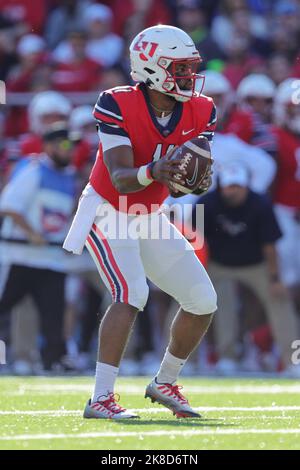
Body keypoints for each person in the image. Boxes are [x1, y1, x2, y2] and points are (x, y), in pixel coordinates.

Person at [64, 24, 217, 419]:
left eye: (189, 68)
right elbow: (120, 176)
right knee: (131, 292)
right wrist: (157, 170)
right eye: (179, 68)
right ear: (150, 68)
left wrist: (190, 179)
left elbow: (181, 185)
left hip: (149, 212)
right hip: (107, 207)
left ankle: (164, 381)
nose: (188, 76)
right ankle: (100, 397)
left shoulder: (202, 109)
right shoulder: (117, 102)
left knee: (203, 300)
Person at [196, 163, 300, 377]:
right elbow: (196, 242)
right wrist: (195, 277)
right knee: (200, 300)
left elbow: (269, 246)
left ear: (246, 186)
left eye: (237, 186)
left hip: (256, 264)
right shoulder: (206, 204)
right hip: (217, 264)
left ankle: (293, 361)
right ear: (220, 186)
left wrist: (275, 278)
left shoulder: (260, 204)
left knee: (280, 302)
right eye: (228, 186)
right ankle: (224, 358)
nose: (232, 191)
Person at [0, 123, 78, 370]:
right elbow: (9, 206)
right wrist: (33, 234)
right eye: (64, 145)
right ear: (48, 146)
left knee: (53, 315)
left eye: (72, 146)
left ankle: (52, 362)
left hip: (51, 259)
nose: (69, 151)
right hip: (21, 256)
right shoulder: (33, 171)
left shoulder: (69, 177)